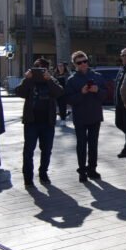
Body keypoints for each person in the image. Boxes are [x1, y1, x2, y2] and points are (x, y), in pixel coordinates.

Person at [15, 58, 64, 186]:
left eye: (43, 69)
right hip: (31, 122)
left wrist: (49, 80)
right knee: (28, 151)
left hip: (47, 122)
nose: (40, 72)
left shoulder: (51, 81)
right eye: (37, 68)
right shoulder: (29, 81)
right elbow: (19, 92)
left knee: (47, 150)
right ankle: (28, 177)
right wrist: (27, 79)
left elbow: (59, 92)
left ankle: (43, 173)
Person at [65, 51, 107, 182]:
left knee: (93, 145)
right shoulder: (72, 80)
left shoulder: (97, 76)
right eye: (79, 62)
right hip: (80, 117)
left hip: (95, 116)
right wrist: (82, 93)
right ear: (75, 64)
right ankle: (82, 170)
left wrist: (97, 90)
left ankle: (92, 169)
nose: (83, 64)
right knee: (81, 145)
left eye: (85, 61)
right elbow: (69, 100)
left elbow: (104, 95)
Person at [54, 62, 70, 126]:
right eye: (59, 66)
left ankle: (63, 120)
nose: (60, 67)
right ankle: (53, 119)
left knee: (62, 107)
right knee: (54, 107)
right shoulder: (55, 74)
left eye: (61, 66)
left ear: (64, 67)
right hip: (56, 93)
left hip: (63, 93)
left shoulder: (67, 74)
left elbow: (69, 84)